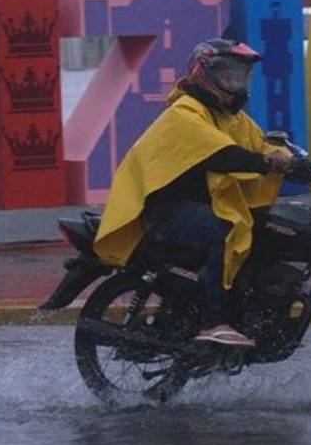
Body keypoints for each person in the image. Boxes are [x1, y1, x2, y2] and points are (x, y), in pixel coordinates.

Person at [92, 39, 293, 347]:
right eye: (227, 75)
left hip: (201, 205)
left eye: (240, 75)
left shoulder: (231, 118)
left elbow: (261, 144)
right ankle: (214, 322)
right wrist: (266, 163)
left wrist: (301, 164)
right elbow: (222, 154)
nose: (235, 82)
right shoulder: (185, 113)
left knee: (266, 230)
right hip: (167, 211)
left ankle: (247, 308)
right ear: (204, 74)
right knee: (225, 228)